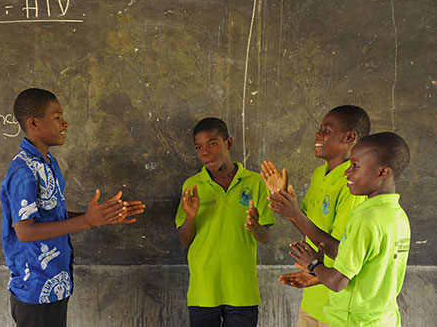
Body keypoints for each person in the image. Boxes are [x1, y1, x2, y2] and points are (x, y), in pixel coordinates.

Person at [0, 88, 145, 327]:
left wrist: (102, 216)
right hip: (36, 288)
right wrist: (87, 221)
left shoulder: (48, 163)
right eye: (57, 117)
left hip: (55, 281)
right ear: (34, 123)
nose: (65, 123)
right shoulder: (23, 171)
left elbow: (50, 217)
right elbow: (25, 231)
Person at [270, 132, 411, 326]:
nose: (347, 172)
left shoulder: (365, 219)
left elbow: (338, 282)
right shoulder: (398, 216)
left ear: (382, 172)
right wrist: (320, 270)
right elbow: (364, 269)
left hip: (351, 321)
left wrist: (313, 265)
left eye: (355, 166)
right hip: (382, 319)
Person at [260, 105, 370, 326]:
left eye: (326, 130)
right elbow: (309, 225)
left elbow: (341, 250)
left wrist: (294, 215)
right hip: (313, 299)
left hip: (339, 304)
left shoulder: (354, 184)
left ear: (349, 137)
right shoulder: (319, 174)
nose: (317, 135)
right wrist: (283, 200)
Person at [175, 117, 275, 327]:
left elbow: (266, 238)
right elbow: (184, 240)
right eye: (198, 147)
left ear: (228, 143)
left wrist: (255, 227)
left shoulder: (255, 182)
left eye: (212, 143)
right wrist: (191, 216)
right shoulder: (193, 185)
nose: (205, 152)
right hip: (204, 291)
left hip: (242, 291)